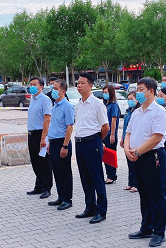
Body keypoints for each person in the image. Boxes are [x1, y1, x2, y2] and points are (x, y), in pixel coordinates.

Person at [125, 77, 166, 247]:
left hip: (153, 156)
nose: (138, 92)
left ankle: (159, 232)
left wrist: (137, 151)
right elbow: (128, 132)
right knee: (143, 193)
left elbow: (157, 137)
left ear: (151, 91)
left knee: (156, 195)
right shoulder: (136, 112)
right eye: (138, 89)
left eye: (142, 89)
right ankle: (146, 227)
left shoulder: (159, 112)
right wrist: (127, 150)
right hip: (136, 157)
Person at [74, 73, 110, 224]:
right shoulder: (78, 104)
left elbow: (105, 127)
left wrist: (96, 140)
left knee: (96, 177)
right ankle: (90, 206)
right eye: (78, 83)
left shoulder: (97, 104)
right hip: (79, 143)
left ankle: (101, 211)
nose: (79, 85)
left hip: (92, 143)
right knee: (85, 177)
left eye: (82, 83)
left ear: (90, 85)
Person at [46, 80, 74, 211]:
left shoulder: (67, 106)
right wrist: (48, 143)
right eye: (53, 88)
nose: (53, 91)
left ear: (63, 91)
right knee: (56, 171)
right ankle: (61, 196)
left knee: (65, 172)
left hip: (62, 142)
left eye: (56, 88)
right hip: (53, 142)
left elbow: (69, 127)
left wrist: (65, 146)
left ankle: (67, 199)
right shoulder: (55, 106)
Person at [25, 77, 54, 199]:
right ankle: (39, 185)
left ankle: (47, 187)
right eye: (30, 84)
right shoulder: (33, 100)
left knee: (44, 161)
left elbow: (47, 119)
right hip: (31, 134)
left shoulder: (45, 100)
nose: (32, 86)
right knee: (35, 161)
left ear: (41, 86)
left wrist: (44, 138)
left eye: (34, 84)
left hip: (41, 134)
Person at [121, 91, 140, 192]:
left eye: (131, 99)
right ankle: (130, 183)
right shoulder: (128, 111)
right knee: (129, 163)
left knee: (135, 163)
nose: (130, 101)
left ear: (137, 100)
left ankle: (136, 184)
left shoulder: (138, 111)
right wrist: (122, 139)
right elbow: (125, 127)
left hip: (134, 140)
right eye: (128, 99)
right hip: (127, 140)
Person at [102, 84, 120, 184]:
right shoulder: (104, 105)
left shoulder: (114, 105)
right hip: (104, 133)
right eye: (103, 92)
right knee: (105, 155)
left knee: (110, 155)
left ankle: (112, 175)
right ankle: (109, 174)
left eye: (106, 92)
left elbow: (113, 120)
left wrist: (112, 134)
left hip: (110, 133)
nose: (104, 94)